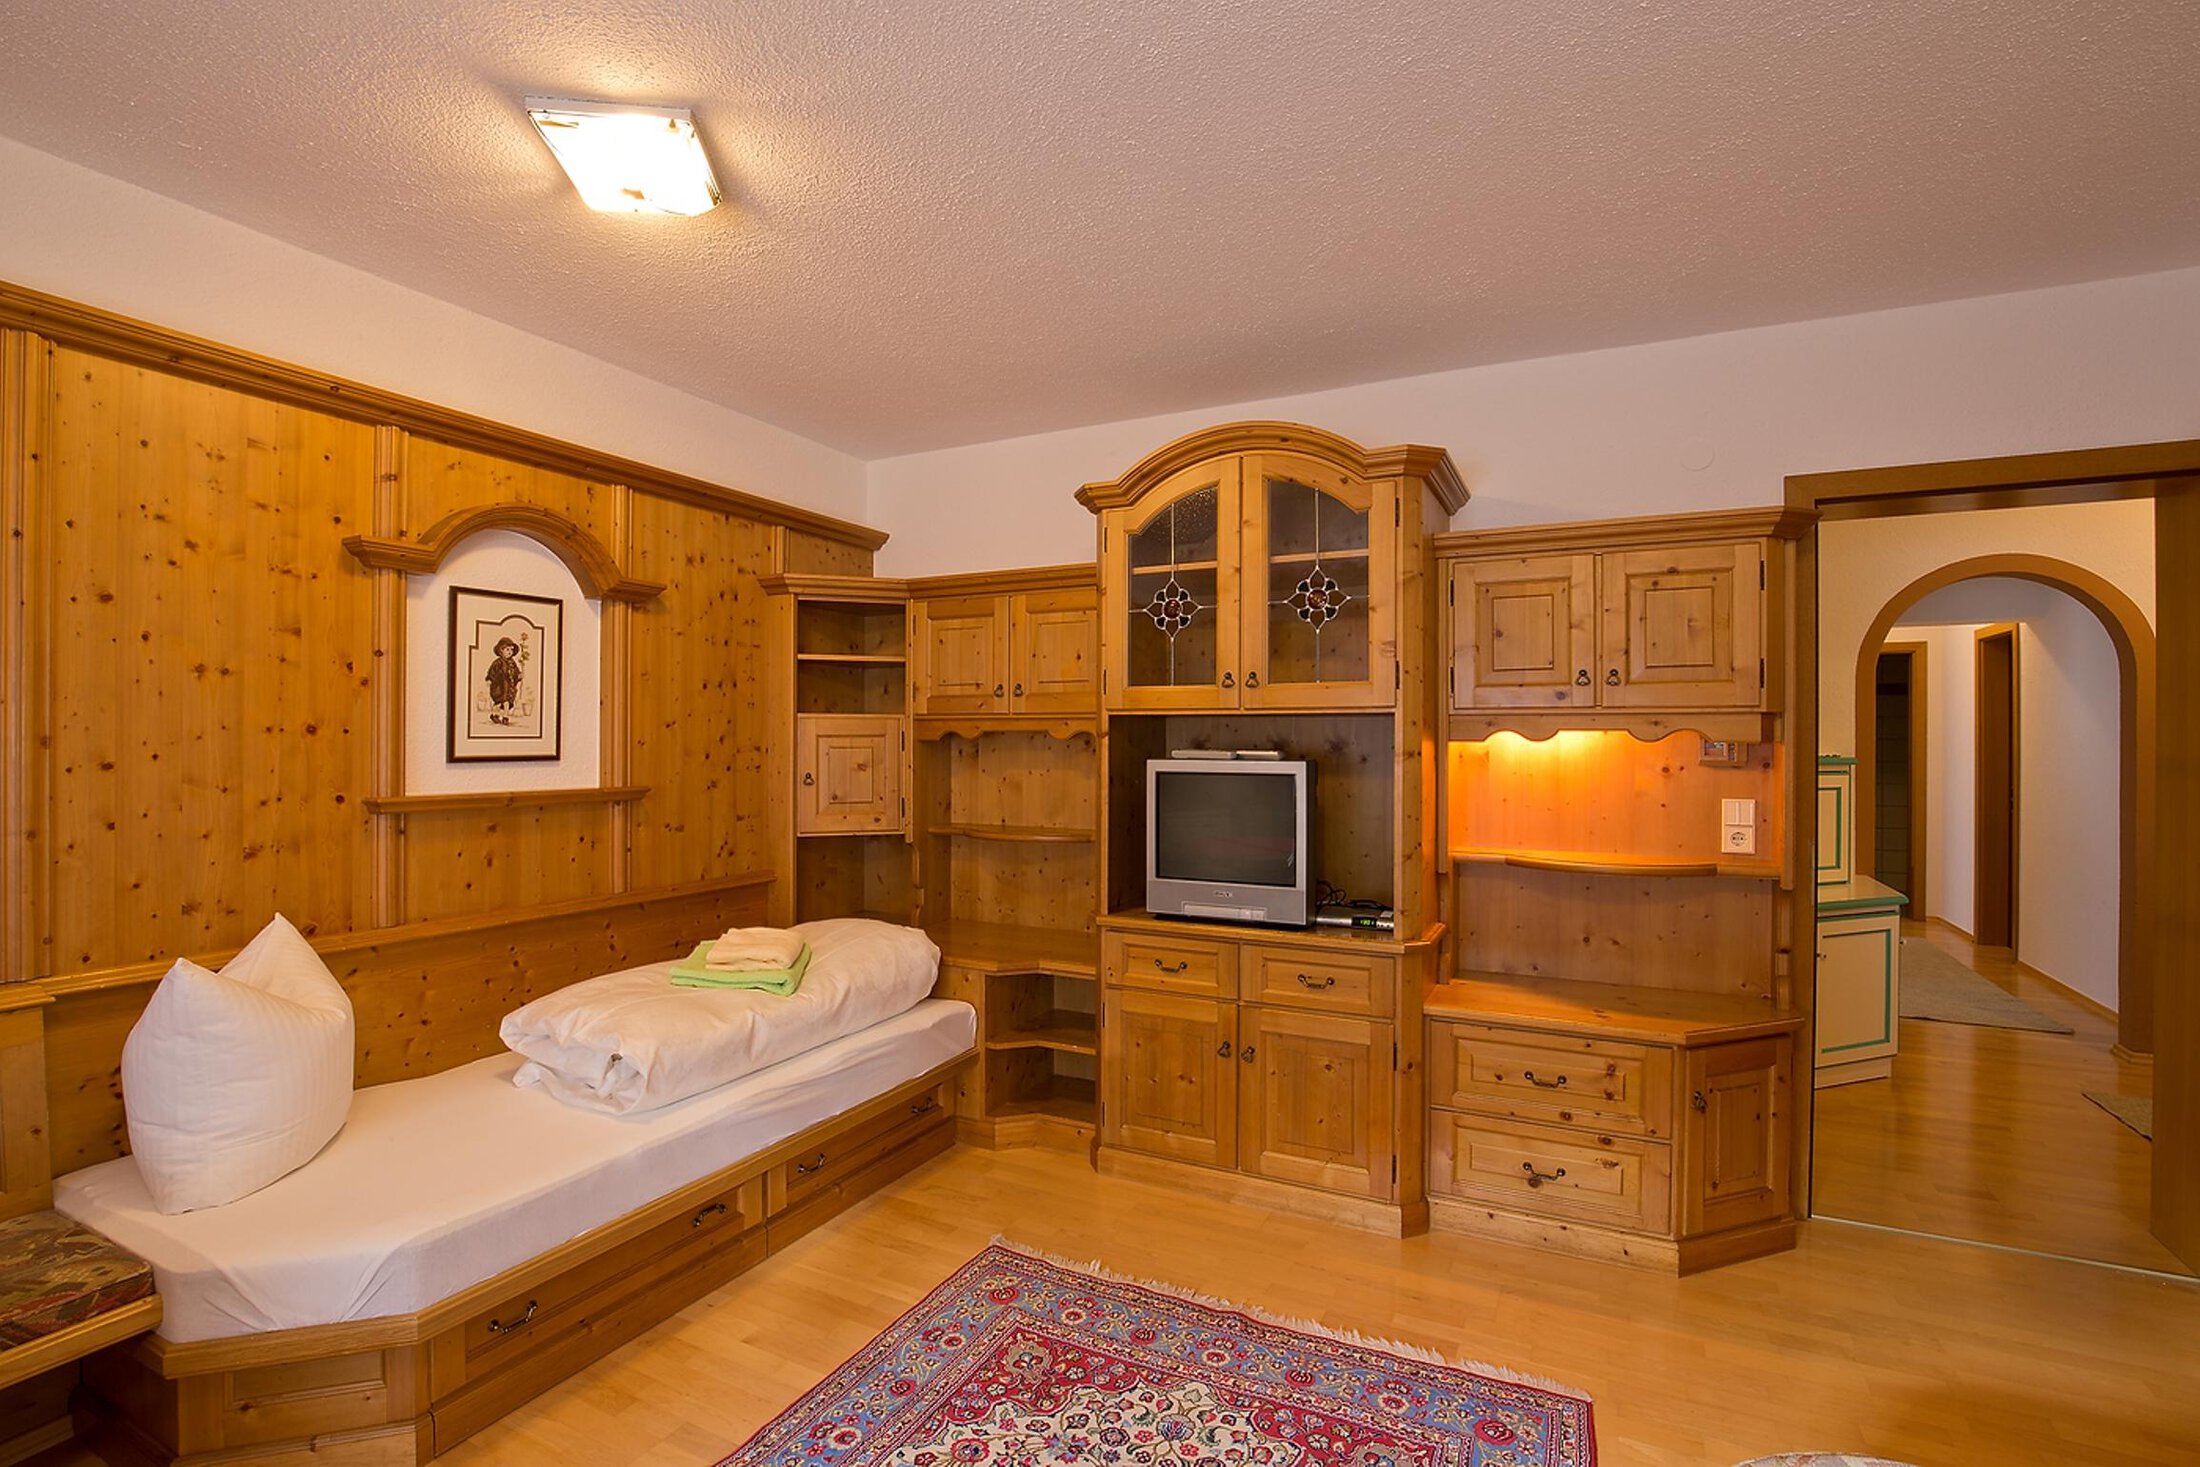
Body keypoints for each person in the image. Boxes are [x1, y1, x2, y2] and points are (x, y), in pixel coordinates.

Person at [485, 635, 524, 725]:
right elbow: (492, 672)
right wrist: (489, 679)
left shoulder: (512, 663)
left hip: (509, 686)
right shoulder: (497, 662)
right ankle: (495, 715)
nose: (510, 652)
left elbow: (515, 671)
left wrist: (518, 675)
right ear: (501, 651)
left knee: (507, 702)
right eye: (507, 649)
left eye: (511, 650)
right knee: (499, 703)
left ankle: (505, 717)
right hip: (499, 686)